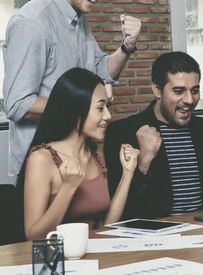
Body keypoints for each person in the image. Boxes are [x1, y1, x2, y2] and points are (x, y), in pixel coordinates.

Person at [3, 0, 142, 176]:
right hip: (41, 169)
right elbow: (17, 105)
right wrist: (84, 106)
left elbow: (100, 70)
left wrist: (127, 47)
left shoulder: (77, 18)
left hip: (76, 161)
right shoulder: (33, 23)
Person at [104, 51, 203, 219]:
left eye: (195, 90)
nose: (189, 100)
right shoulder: (123, 132)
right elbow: (121, 214)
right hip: (152, 238)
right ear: (157, 90)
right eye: (179, 91)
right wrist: (143, 162)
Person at [20, 68, 139, 240]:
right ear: (76, 111)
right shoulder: (41, 159)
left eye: (107, 107)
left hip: (95, 256)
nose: (108, 115)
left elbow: (105, 227)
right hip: (59, 261)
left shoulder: (95, 152)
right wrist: (68, 187)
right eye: (100, 108)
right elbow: (34, 237)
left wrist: (127, 174)